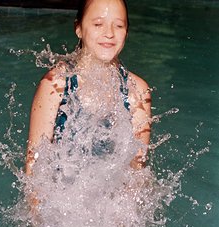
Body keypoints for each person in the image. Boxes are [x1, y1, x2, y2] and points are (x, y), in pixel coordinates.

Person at [26, 0, 152, 178]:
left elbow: (136, 172)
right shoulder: (56, 85)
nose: (109, 33)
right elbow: (34, 168)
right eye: (98, 24)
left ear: (127, 31)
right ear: (79, 28)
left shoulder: (137, 90)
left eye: (118, 25)